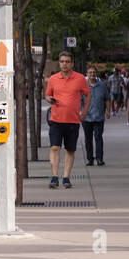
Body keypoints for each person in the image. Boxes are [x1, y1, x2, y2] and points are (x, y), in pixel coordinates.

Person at [45, 51, 89, 189]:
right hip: (56, 119)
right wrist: (49, 100)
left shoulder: (80, 78)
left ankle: (66, 177)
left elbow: (88, 95)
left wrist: (85, 112)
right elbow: (47, 95)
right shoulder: (53, 79)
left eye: (67, 61)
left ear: (72, 63)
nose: (64, 64)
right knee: (54, 147)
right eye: (62, 61)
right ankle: (54, 177)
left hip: (73, 120)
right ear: (59, 63)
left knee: (70, 150)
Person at [82, 66, 110, 167]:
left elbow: (107, 98)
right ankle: (90, 159)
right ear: (87, 74)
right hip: (86, 117)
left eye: (94, 72)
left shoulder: (102, 85)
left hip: (99, 116)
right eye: (90, 72)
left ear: (96, 73)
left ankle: (99, 158)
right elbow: (78, 100)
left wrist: (108, 111)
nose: (92, 74)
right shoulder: (83, 86)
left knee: (98, 137)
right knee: (88, 139)